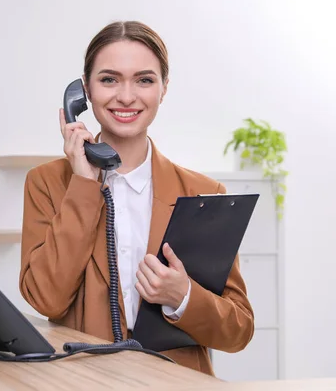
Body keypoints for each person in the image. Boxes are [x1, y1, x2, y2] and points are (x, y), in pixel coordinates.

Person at [18, 20, 254, 376]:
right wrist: (84, 183)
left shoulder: (203, 192)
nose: (126, 96)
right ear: (83, 93)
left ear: (163, 89)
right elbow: (45, 299)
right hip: (82, 381)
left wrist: (183, 296)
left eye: (144, 80)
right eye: (109, 79)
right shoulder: (46, 184)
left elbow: (238, 331)